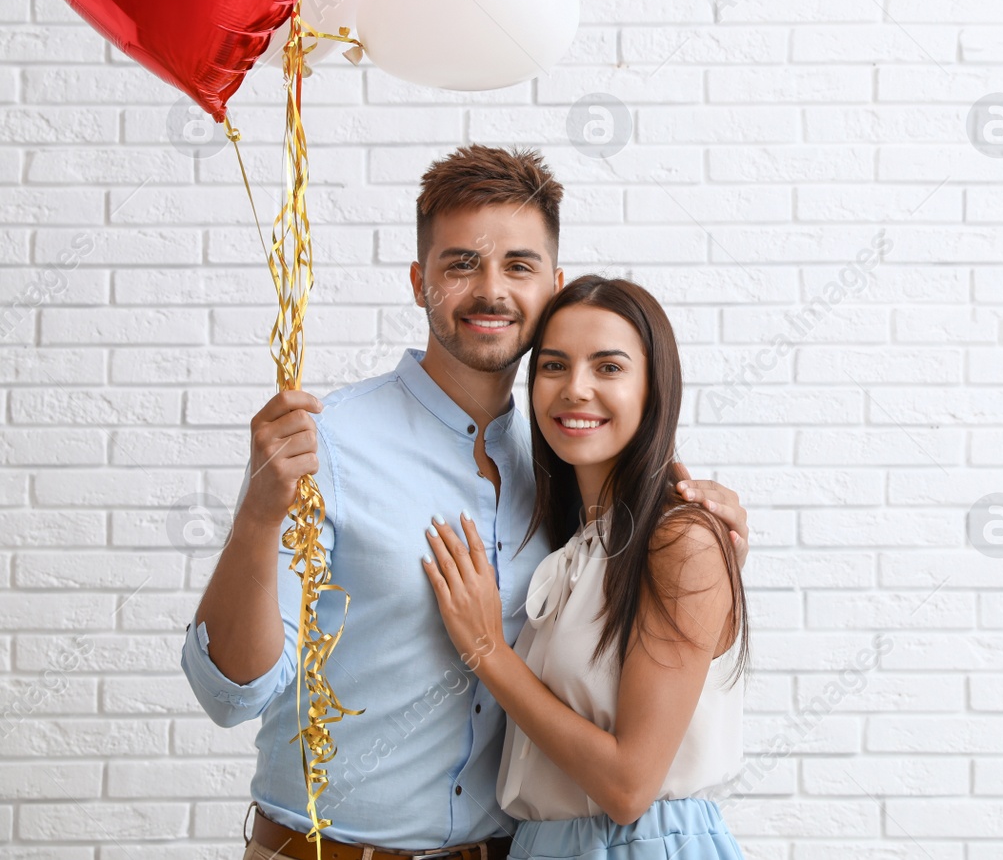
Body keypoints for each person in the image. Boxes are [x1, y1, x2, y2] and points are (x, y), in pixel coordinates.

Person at [180, 146, 752, 860]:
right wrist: (257, 519)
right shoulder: (325, 444)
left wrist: (702, 553)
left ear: (553, 285)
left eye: (518, 264)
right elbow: (231, 696)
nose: (492, 290)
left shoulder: (568, 468)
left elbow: (630, 651)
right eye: (460, 264)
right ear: (420, 282)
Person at [423, 275, 747, 860]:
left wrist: (487, 651)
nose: (575, 389)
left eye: (609, 367)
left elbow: (628, 787)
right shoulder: (575, 547)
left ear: (654, 388)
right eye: (553, 366)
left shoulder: (679, 539)